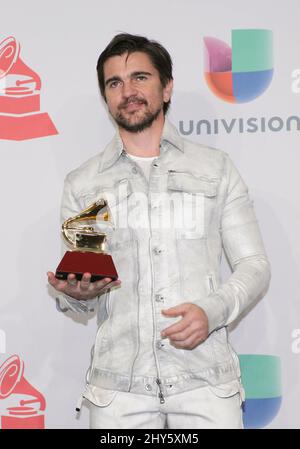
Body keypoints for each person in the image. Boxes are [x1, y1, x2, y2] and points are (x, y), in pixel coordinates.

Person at [47, 33, 271, 429]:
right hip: (118, 391)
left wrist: (211, 311)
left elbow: (254, 265)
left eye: (140, 78)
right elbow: (84, 282)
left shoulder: (215, 168)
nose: (127, 91)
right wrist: (76, 295)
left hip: (205, 382)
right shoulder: (83, 184)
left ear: (166, 88)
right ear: (105, 97)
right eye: (114, 83)